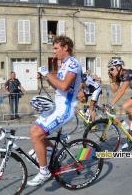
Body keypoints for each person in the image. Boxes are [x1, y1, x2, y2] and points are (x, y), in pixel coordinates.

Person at [27, 35, 82, 186]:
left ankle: (44, 171)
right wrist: (46, 78)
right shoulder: (63, 64)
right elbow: (57, 86)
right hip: (56, 106)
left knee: (38, 135)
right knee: (33, 131)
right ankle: (54, 153)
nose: (54, 51)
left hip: (65, 108)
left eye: (56, 48)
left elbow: (64, 86)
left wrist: (47, 74)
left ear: (65, 48)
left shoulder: (73, 64)